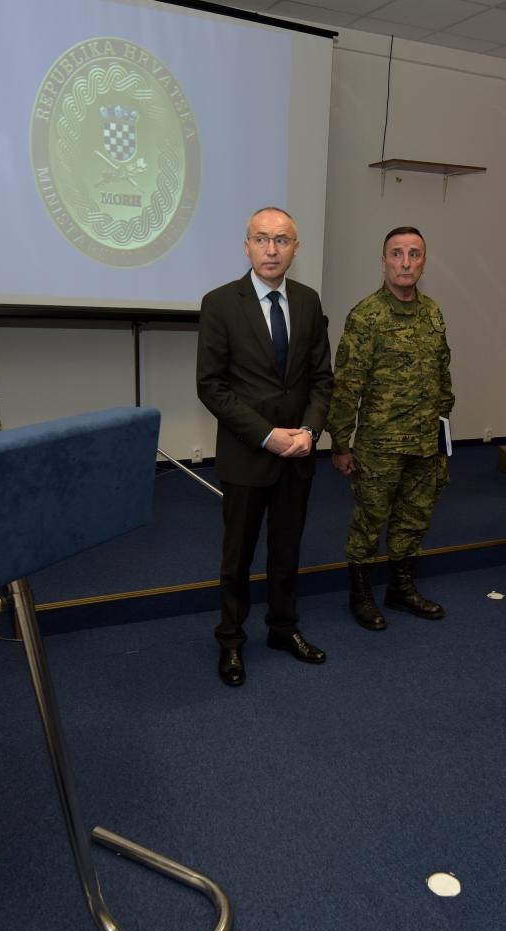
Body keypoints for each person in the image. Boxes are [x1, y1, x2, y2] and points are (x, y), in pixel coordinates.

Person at [195, 206, 334, 687]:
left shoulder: (309, 302)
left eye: (281, 240)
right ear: (246, 245)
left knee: (287, 550)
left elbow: (322, 379)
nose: (271, 249)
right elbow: (211, 387)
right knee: (237, 558)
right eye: (261, 239)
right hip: (246, 455)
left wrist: (310, 433)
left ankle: (283, 629)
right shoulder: (219, 303)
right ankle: (231, 640)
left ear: (296, 248)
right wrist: (266, 435)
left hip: (298, 454)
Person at [326, 226, 452, 630]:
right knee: (369, 521)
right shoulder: (366, 316)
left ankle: (401, 589)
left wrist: (443, 429)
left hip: (424, 443)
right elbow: (346, 386)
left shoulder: (433, 312)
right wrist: (341, 444)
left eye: (414, 254)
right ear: (383, 263)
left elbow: (443, 375)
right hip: (379, 446)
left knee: (414, 519)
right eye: (397, 254)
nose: (405, 262)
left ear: (423, 263)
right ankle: (359, 595)